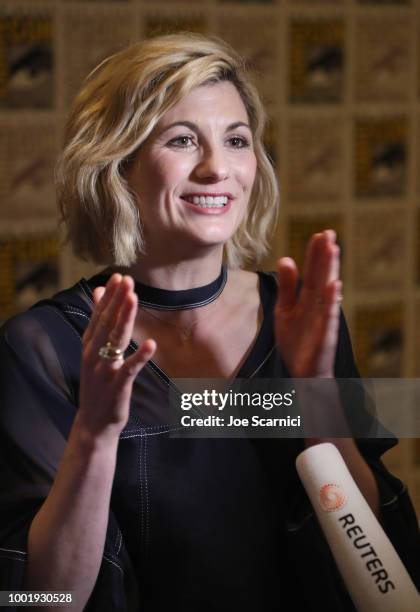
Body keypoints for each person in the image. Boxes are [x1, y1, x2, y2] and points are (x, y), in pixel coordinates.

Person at [0, 33, 418, 612]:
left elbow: (379, 565)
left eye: (237, 140)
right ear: (118, 166)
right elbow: (40, 599)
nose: (218, 167)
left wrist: (315, 387)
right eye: (181, 140)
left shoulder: (299, 320)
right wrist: (95, 435)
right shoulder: (42, 348)